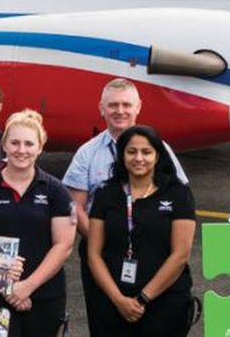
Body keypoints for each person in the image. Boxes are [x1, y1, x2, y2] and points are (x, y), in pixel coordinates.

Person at [61, 79, 186, 337]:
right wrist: (102, 240)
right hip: (104, 258)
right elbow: (76, 206)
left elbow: (180, 196)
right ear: (101, 108)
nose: (120, 111)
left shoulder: (162, 151)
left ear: (138, 107)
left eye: (126, 104)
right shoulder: (87, 153)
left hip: (154, 256)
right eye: (113, 105)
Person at [0, 110, 75, 337]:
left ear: (40, 147)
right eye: (15, 143)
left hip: (44, 297)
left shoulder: (56, 190)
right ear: (4, 145)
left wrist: (27, 287)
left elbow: (64, 245)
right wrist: (7, 289)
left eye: (29, 144)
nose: (21, 150)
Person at [85, 126, 195, 335]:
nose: (139, 158)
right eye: (131, 151)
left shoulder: (178, 194)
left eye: (146, 152)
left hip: (164, 302)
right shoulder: (106, 193)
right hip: (113, 301)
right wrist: (119, 300)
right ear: (122, 155)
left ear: (157, 156)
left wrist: (143, 298)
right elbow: (93, 255)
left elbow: (180, 255)